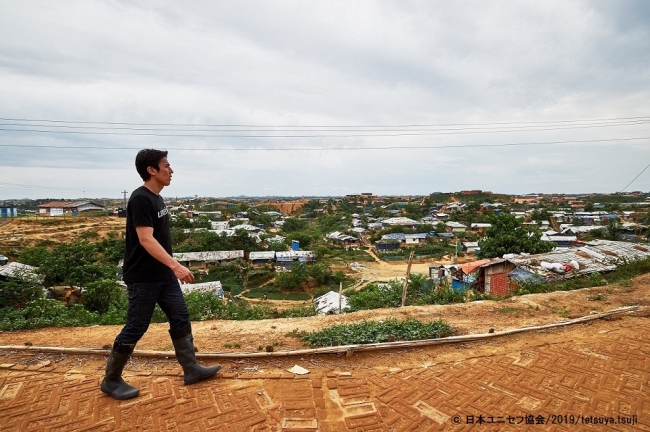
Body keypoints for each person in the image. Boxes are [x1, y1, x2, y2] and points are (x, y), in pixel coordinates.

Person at [101, 149, 221, 400]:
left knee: (180, 317)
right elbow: (146, 240)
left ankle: (191, 369)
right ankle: (111, 380)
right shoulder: (141, 199)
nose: (171, 170)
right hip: (143, 277)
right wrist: (176, 266)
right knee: (136, 326)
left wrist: (170, 268)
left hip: (162, 275)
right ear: (151, 170)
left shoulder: (158, 198)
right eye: (166, 165)